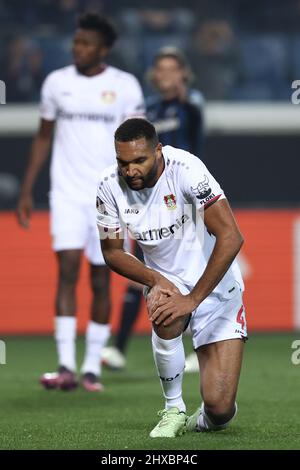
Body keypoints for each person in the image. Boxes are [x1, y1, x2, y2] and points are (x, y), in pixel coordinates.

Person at [16, 12, 145, 392]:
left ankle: (92, 367)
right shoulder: (57, 83)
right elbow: (43, 137)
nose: (78, 49)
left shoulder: (125, 86)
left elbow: (138, 147)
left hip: (111, 196)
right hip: (67, 194)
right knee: (67, 271)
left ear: (103, 49)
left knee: (102, 277)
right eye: (75, 42)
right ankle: (66, 365)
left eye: (86, 44)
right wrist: (27, 188)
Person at [97, 118, 247, 437]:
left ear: (158, 151)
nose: (130, 170)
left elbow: (231, 237)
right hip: (169, 284)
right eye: (123, 162)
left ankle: (204, 417)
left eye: (140, 160)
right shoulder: (108, 186)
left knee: (220, 409)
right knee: (166, 308)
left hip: (216, 287)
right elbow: (112, 251)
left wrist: (193, 299)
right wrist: (156, 280)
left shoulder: (187, 170)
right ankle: (173, 408)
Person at [101, 46, 204, 371]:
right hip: (147, 201)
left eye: (172, 69)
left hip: (183, 197)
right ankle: (118, 347)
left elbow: (196, 142)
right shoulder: (148, 110)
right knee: (140, 269)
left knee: (193, 270)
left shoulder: (192, 106)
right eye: (160, 69)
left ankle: (199, 344)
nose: (165, 75)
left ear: (184, 74)